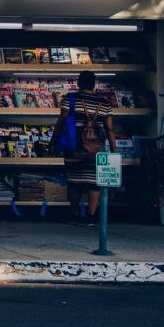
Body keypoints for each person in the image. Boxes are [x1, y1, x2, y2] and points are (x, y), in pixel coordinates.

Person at [62, 70, 118, 225]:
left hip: (74, 146)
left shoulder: (70, 99)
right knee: (94, 182)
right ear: (94, 84)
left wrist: (54, 141)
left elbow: (62, 122)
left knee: (74, 181)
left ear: (79, 83)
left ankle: (73, 214)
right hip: (97, 148)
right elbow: (109, 128)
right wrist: (114, 151)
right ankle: (90, 216)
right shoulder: (105, 103)